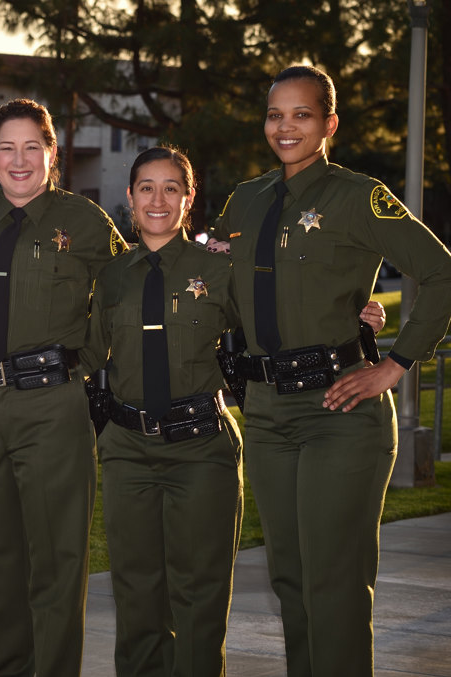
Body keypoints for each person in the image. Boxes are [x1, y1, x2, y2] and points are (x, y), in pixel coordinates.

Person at [209, 65, 451, 675]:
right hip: (264, 413)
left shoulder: (355, 195)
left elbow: (441, 270)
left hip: (340, 411)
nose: (285, 127)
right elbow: (217, 294)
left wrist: (396, 362)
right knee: (289, 577)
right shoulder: (245, 200)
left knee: (333, 582)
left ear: (329, 124)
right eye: (275, 114)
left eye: (302, 115)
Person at [0, 98, 128, 677]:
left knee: (56, 562)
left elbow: (133, 288)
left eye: (32, 147)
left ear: (53, 152)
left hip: (52, 403)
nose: (19, 160)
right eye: (6, 147)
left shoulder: (84, 222)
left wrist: (83, 361)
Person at [82, 146, 243, 677]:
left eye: (171, 187)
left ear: (189, 198)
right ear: (129, 197)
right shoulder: (112, 278)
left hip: (200, 446)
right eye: (146, 187)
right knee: (135, 589)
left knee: (200, 592)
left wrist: (355, 309)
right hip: (128, 449)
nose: (157, 199)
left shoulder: (220, 270)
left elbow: (277, 324)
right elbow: (86, 354)